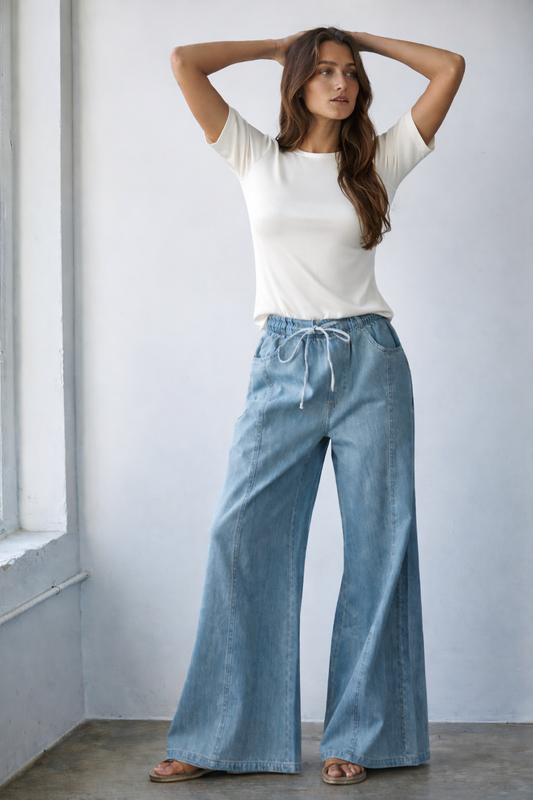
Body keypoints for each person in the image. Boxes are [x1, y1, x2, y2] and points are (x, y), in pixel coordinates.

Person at [150, 27, 465, 786]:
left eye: (348, 72)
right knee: (240, 538)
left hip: (370, 366)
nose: (340, 82)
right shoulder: (256, 156)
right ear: (297, 81)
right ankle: (221, 737)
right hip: (282, 363)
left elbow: (450, 68)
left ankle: (361, 737)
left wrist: (361, 41)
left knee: (379, 549)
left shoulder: (378, 160)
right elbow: (185, 62)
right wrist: (281, 46)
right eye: (323, 71)